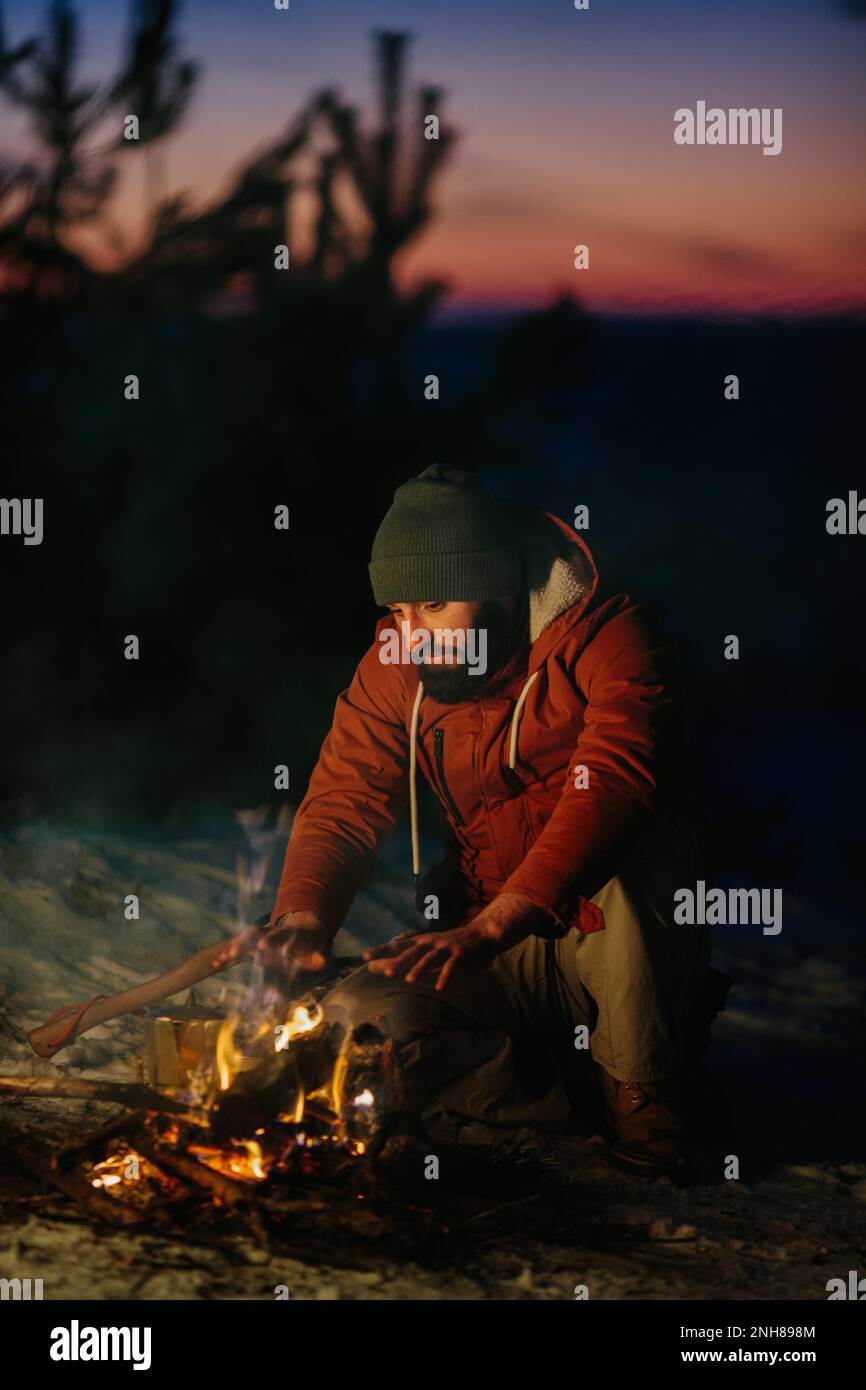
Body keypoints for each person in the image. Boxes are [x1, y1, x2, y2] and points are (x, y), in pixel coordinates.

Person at [251, 465, 714, 1174]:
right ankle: (557, 1093)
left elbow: (615, 781)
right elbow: (345, 799)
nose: (411, 635)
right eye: (398, 611)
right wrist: (305, 918)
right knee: (357, 1021)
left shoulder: (612, 635)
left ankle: (643, 1088)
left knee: (631, 871)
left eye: (434, 605)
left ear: (499, 583)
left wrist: (499, 920)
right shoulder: (397, 660)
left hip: (611, 937)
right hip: (484, 942)